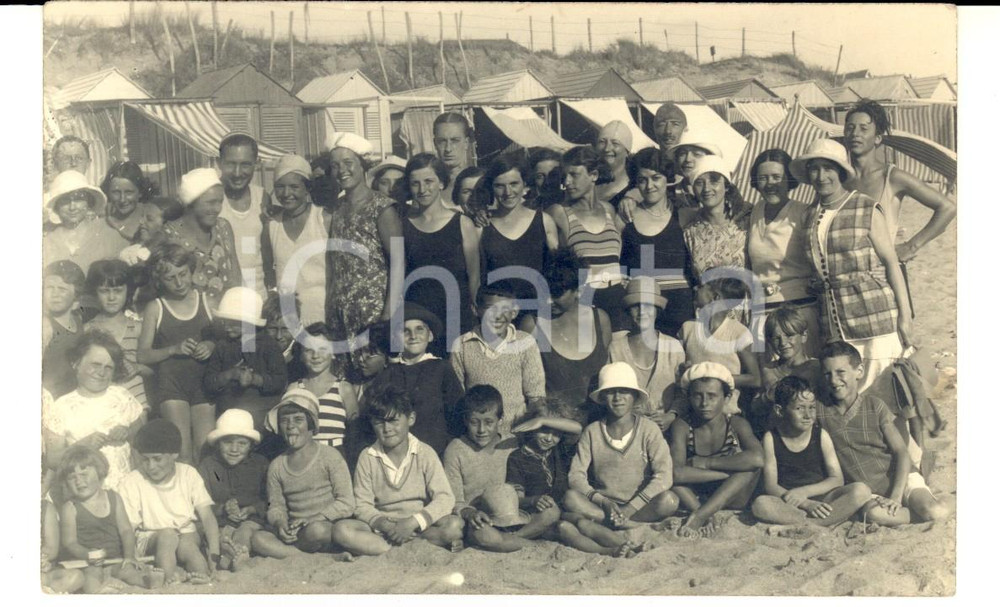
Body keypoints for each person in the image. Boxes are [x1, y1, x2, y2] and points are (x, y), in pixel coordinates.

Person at [791, 138, 912, 392]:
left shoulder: (865, 206)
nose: (821, 176)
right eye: (815, 169)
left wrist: (905, 315)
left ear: (841, 172)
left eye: (828, 168)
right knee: (849, 394)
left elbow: (891, 262)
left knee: (886, 391)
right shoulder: (809, 215)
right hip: (834, 323)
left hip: (875, 316)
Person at [815, 342, 954, 526]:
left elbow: (901, 452)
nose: (834, 380)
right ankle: (916, 515)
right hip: (870, 493)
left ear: (859, 371)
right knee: (873, 515)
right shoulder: (819, 411)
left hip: (900, 479)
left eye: (841, 372)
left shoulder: (874, 405)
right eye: (827, 374)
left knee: (934, 511)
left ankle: (951, 500)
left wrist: (896, 496)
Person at [333, 382, 464, 555]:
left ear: (411, 419)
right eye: (379, 422)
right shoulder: (367, 456)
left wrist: (412, 523)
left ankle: (397, 547)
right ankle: (410, 547)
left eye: (393, 421)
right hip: (383, 527)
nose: (387, 429)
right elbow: (362, 504)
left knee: (454, 526)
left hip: (417, 524)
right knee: (341, 530)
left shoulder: (425, 453)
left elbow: (445, 498)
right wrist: (385, 525)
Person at [563, 363, 678, 552]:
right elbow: (575, 477)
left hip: (640, 506)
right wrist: (604, 502)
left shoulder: (649, 429)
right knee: (570, 498)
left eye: (624, 391)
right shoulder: (592, 432)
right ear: (602, 398)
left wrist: (631, 508)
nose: (617, 398)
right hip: (603, 507)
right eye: (610, 392)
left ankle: (620, 522)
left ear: (635, 396)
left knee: (669, 500)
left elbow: (664, 476)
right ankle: (634, 525)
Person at [444, 386, 558, 552]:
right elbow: (454, 500)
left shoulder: (511, 442)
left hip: (514, 515)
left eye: (489, 422)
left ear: (500, 419)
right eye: (474, 422)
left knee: (551, 511)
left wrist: (542, 422)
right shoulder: (455, 450)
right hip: (481, 520)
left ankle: (510, 540)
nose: (482, 430)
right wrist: (471, 514)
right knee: (485, 535)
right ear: (465, 420)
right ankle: (536, 547)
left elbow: (574, 429)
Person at [843, 99, 956, 265]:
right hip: (845, 271)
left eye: (864, 128)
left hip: (884, 270)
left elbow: (947, 208)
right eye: (850, 128)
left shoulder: (891, 177)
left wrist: (911, 246)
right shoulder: (838, 178)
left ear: (877, 138)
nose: (855, 134)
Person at [751, 377, 872, 527]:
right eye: (799, 408)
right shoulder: (771, 438)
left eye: (812, 408)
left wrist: (804, 493)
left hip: (823, 499)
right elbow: (770, 485)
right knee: (760, 504)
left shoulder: (821, 435)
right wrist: (805, 503)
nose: (808, 415)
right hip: (789, 501)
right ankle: (816, 523)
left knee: (861, 490)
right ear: (780, 410)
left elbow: (836, 479)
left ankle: (809, 524)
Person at [136, 245, 217, 464]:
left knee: (205, 452)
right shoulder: (156, 307)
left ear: (192, 271)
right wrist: (173, 349)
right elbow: (142, 355)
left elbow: (224, 340)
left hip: (204, 385)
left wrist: (210, 345)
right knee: (182, 454)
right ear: (159, 280)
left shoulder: (207, 301)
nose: (179, 283)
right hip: (172, 386)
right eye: (170, 278)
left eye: (183, 274)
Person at [118, 419, 221, 586]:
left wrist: (214, 554)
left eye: (157, 459)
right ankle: (168, 577)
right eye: (145, 460)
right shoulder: (132, 481)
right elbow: (128, 527)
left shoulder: (188, 474)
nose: (151, 466)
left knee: (189, 546)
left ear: (174, 454)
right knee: (167, 535)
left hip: (185, 533)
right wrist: (131, 555)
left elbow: (207, 517)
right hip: (150, 537)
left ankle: (201, 575)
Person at [43, 330, 147, 491]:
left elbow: (142, 432)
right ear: (76, 363)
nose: (101, 372)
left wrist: (127, 431)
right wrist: (82, 446)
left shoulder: (122, 396)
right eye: (95, 365)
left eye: (108, 368)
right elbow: (53, 460)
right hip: (86, 494)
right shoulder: (60, 407)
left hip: (126, 488)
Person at [668, 363, 763, 538]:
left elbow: (757, 458)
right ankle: (702, 511)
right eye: (698, 396)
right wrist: (727, 474)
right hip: (695, 497)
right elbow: (676, 473)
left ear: (726, 398)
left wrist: (707, 463)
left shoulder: (736, 424)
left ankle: (701, 515)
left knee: (751, 469)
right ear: (688, 397)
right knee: (668, 477)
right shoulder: (682, 426)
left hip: (732, 497)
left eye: (712, 396)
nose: (704, 403)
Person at [326, 132, 405, 341]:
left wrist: (389, 313)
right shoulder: (337, 208)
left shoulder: (383, 207)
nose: (342, 170)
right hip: (341, 314)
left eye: (348, 163)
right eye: (335, 165)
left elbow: (398, 261)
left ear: (363, 165)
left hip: (373, 312)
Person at [259, 389, 356, 554]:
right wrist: (280, 523)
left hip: (326, 527)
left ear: (311, 425)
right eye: (284, 420)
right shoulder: (276, 465)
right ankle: (301, 556)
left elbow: (347, 503)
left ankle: (295, 554)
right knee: (259, 539)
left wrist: (314, 519)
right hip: (298, 532)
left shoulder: (330, 456)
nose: (290, 426)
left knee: (316, 530)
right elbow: (276, 506)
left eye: (298, 420)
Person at [522, 249, 612, 426]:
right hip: (553, 430)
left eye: (556, 293)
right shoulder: (531, 325)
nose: (548, 300)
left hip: (598, 427)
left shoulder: (601, 320)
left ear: (578, 290)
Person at [747, 149, 822, 357]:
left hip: (798, 312)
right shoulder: (754, 212)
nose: (770, 183)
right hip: (762, 312)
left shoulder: (803, 213)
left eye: (776, 177)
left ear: (789, 179)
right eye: (763, 178)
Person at [401, 153, 481, 347]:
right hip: (418, 319)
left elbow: (474, 276)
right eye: (415, 183)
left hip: (456, 315)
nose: (422, 189)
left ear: (441, 183)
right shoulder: (402, 225)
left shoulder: (462, 223)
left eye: (429, 181)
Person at [450, 282, 546, 436]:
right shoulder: (462, 345)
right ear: (475, 310)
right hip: (479, 436)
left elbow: (536, 397)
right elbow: (457, 396)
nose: (498, 316)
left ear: (514, 312)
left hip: (515, 436)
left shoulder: (525, 343)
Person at [547, 146, 627, 329]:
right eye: (564, 176)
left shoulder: (609, 210)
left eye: (574, 175)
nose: (567, 182)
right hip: (585, 301)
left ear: (594, 175)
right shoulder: (558, 213)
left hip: (616, 299)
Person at [620, 147, 696, 336]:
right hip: (642, 312)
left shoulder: (685, 215)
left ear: (667, 179)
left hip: (680, 311)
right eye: (642, 180)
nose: (649, 186)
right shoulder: (626, 217)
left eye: (656, 178)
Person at [57, 445, 150, 592]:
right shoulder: (70, 507)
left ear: (100, 473)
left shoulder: (114, 498)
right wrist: (88, 554)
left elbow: (126, 530)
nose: (78, 481)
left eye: (84, 474)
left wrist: (129, 556)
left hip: (116, 559)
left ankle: (150, 585)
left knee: (130, 572)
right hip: (87, 563)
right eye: (72, 477)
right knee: (92, 576)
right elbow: (70, 543)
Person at [203, 286, 288, 433]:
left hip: (263, 416)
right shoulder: (223, 346)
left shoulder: (268, 345)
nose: (227, 327)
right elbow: (209, 383)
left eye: (233, 323)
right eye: (224, 322)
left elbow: (280, 381)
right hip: (229, 416)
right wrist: (230, 374)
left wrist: (254, 379)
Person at [383, 303, 463, 454]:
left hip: (436, 450)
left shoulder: (441, 368)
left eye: (419, 329)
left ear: (430, 335)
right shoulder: (389, 373)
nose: (413, 336)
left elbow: (457, 412)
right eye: (405, 331)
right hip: (398, 453)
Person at [479, 154, 559, 305]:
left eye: (514, 184)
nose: (508, 192)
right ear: (492, 188)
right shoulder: (483, 225)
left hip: (538, 308)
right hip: (500, 311)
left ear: (525, 184)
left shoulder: (544, 221)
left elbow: (557, 269)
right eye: (500, 186)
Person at [261, 155, 330, 328]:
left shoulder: (324, 219)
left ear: (307, 188)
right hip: (287, 324)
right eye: (280, 187)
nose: (286, 194)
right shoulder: (271, 226)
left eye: (294, 187)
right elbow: (268, 272)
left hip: (323, 319)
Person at [609, 276, 686, 431]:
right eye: (635, 306)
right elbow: (610, 394)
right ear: (628, 310)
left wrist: (670, 416)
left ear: (657, 310)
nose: (642, 311)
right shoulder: (615, 349)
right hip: (628, 430)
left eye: (648, 305)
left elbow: (683, 392)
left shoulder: (673, 347)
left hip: (668, 431)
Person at [196, 410, 270, 570]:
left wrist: (252, 509)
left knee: (245, 530)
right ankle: (227, 553)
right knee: (216, 533)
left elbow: (270, 500)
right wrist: (223, 508)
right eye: (228, 442)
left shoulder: (261, 464)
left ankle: (236, 555)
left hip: (252, 520)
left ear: (251, 445)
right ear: (218, 443)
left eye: (242, 443)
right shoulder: (208, 465)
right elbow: (200, 504)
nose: (234, 449)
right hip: (220, 521)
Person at [678, 276, 761, 416]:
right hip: (692, 412)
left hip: (726, 415)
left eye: (701, 286)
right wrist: (684, 369)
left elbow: (755, 379)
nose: (695, 288)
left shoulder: (739, 333)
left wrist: (713, 376)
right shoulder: (687, 328)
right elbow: (678, 368)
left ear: (715, 297)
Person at [163, 168, 242, 304]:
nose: (217, 209)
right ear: (191, 202)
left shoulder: (223, 227)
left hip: (226, 311)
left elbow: (235, 278)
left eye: (220, 202)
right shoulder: (168, 235)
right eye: (210, 202)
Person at [84, 259, 151, 408]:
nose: (112, 298)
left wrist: (138, 367)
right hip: (102, 405)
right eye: (104, 291)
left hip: (136, 404)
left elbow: (154, 371)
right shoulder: (87, 330)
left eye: (118, 290)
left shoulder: (137, 327)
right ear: (95, 292)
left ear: (128, 291)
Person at [506, 398, 581, 522]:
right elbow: (516, 498)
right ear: (532, 428)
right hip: (539, 515)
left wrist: (542, 421)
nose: (549, 439)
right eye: (544, 430)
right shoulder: (518, 457)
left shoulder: (559, 449)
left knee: (579, 516)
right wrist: (534, 500)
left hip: (564, 510)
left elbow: (577, 428)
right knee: (563, 521)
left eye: (556, 434)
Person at [751, 306, 824, 434]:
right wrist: (768, 396)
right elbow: (755, 409)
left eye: (789, 336)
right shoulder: (768, 370)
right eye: (776, 338)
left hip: (811, 434)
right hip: (777, 436)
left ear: (804, 335)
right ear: (769, 341)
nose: (783, 343)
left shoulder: (817, 368)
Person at [217, 133, 273, 301]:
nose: (237, 173)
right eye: (231, 164)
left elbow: (266, 252)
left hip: (258, 296)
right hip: (222, 297)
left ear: (256, 164)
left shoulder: (262, 197)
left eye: (245, 165)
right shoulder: (210, 197)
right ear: (219, 163)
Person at [289, 322, 358, 451]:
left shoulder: (344, 389)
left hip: (336, 454)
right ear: (301, 356)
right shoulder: (294, 389)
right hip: (304, 455)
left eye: (323, 349)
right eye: (309, 350)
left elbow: (355, 430)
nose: (316, 355)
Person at [43, 170, 129, 274]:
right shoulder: (47, 241)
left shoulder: (107, 235)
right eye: (65, 200)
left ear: (88, 202)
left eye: (78, 199)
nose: (72, 207)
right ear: (56, 206)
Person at [682, 155, 751, 282]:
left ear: (726, 186)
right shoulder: (690, 233)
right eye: (699, 183)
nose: (706, 189)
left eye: (714, 181)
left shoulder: (747, 221)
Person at [43, 260, 87, 398]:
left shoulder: (78, 321)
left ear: (76, 295)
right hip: (50, 400)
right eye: (49, 287)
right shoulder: (44, 327)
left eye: (62, 289)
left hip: (73, 398)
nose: (54, 294)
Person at [101, 160, 159, 244]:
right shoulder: (103, 223)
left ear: (140, 192)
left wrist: (116, 226)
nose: (122, 199)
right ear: (108, 193)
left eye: (129, 192)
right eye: (116, 192)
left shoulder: (154, 217)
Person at [118, 195, 185, 268]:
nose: (141, 221)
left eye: (149, 219)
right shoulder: (137, 247)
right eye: (142, 216)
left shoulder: (175, 258)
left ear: (168, 226)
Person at [42, 498, 86, 593]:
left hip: (42, 572)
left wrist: (42, 558)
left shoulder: (44, 506)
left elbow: (51, 550)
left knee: (76, 576)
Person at [432, 111, 475, 207]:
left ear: (466, 143)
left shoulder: (479, 182)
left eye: (455, 141)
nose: (448, 149)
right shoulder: (427, 186)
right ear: (435, 143)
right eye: (442, 141)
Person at [594, 120, 636, 210]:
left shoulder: (635, 188)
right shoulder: (589, 180)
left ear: (627, 151)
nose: (607, 148)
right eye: (602, 142)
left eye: (615, 143)